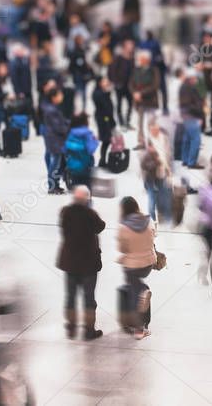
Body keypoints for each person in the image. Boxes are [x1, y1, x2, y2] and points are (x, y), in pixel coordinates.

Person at [56, 185, 106, 340]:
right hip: (88, 265)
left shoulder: (65, 212)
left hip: (70, 263)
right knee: (88, 298)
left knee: (70, 296)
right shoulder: (90, 214)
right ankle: (88, 331)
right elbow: (101, 226)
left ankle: (71, 328)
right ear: (86, 199)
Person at [117, 196, 156, 340]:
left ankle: (139, 330)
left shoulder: (123, 227)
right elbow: (153, 238)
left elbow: (121, 248)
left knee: (134, 293)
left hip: (132, 265)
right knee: (135, 285)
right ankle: (142, 289)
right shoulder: (148, 221)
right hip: (148, 264)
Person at [140, 120, 173, 222]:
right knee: (152, 199)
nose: (155, 131)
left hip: (163, 173)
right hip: (151, 176)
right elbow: (143, 164)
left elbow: (168, 155)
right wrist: (156, 163)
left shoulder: (164, 138)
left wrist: (168, 169)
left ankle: (164, 216)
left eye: (156, 128)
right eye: (152, 129)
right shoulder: (147, 142)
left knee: (164, 195)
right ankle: (153, 220)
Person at [41, 88, 71, 195]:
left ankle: (55, 185)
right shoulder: (51, 110)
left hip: (55, 139)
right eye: (59, 94)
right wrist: (68, 127)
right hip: (55, 140)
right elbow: (59, 127)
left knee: (57, 163)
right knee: (55, 164)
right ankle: (52, 186)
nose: (61, 96)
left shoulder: (52, 108)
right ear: (53, 97)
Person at [130, 50, 160, 149]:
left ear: (147, 59)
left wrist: (141, 93)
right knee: (140, 122)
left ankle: (152, 142)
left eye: (141, 58)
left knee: (151, 123)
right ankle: (141, 142)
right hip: (139, 101)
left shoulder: (154, 70)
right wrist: (134, 93)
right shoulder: (136, 70)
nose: (139, 60)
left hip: (151, 100)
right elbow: (131, 83)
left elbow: (155, 85)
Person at [177, 69, 205, 169]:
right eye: (195, 78)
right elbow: (188, 104)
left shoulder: (185, 86)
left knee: (187, 139)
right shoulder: (188, 88)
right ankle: (191, 162)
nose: (196, 80)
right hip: (191, 116)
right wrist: (199, 113)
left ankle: (185, 160)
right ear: (191, 78)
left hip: (186, 116)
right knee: (196, 139)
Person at [64, 113, 99, 190]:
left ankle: (77, 201)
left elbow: (65, 149)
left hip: (73, 167)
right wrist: (95, 141)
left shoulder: (70, 134)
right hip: (86, 167)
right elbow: (91, 150)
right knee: (87, 190)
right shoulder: (88, 134)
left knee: (76, 189)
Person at [109, 39, 135, 129]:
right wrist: (115, 82)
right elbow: (112, 70)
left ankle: (127, 121)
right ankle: (121, 122)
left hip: (130, 86)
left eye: (132, 46)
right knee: (119, 104)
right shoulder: (118, 58)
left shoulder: (132, 58)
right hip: (120, 85)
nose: (131, 48)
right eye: (129, 46)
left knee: (130, 104)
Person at [91, 77, 116, 168]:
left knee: (107, 139)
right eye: (104, 81)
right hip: (103, 119)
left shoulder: (102, 92)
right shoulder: (98, 93)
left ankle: (103, 160)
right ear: (100, 83)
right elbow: (105, 107)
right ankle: (102, 160)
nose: (107, 82)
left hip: (106, 118)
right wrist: (109, 120)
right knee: (106, 139)